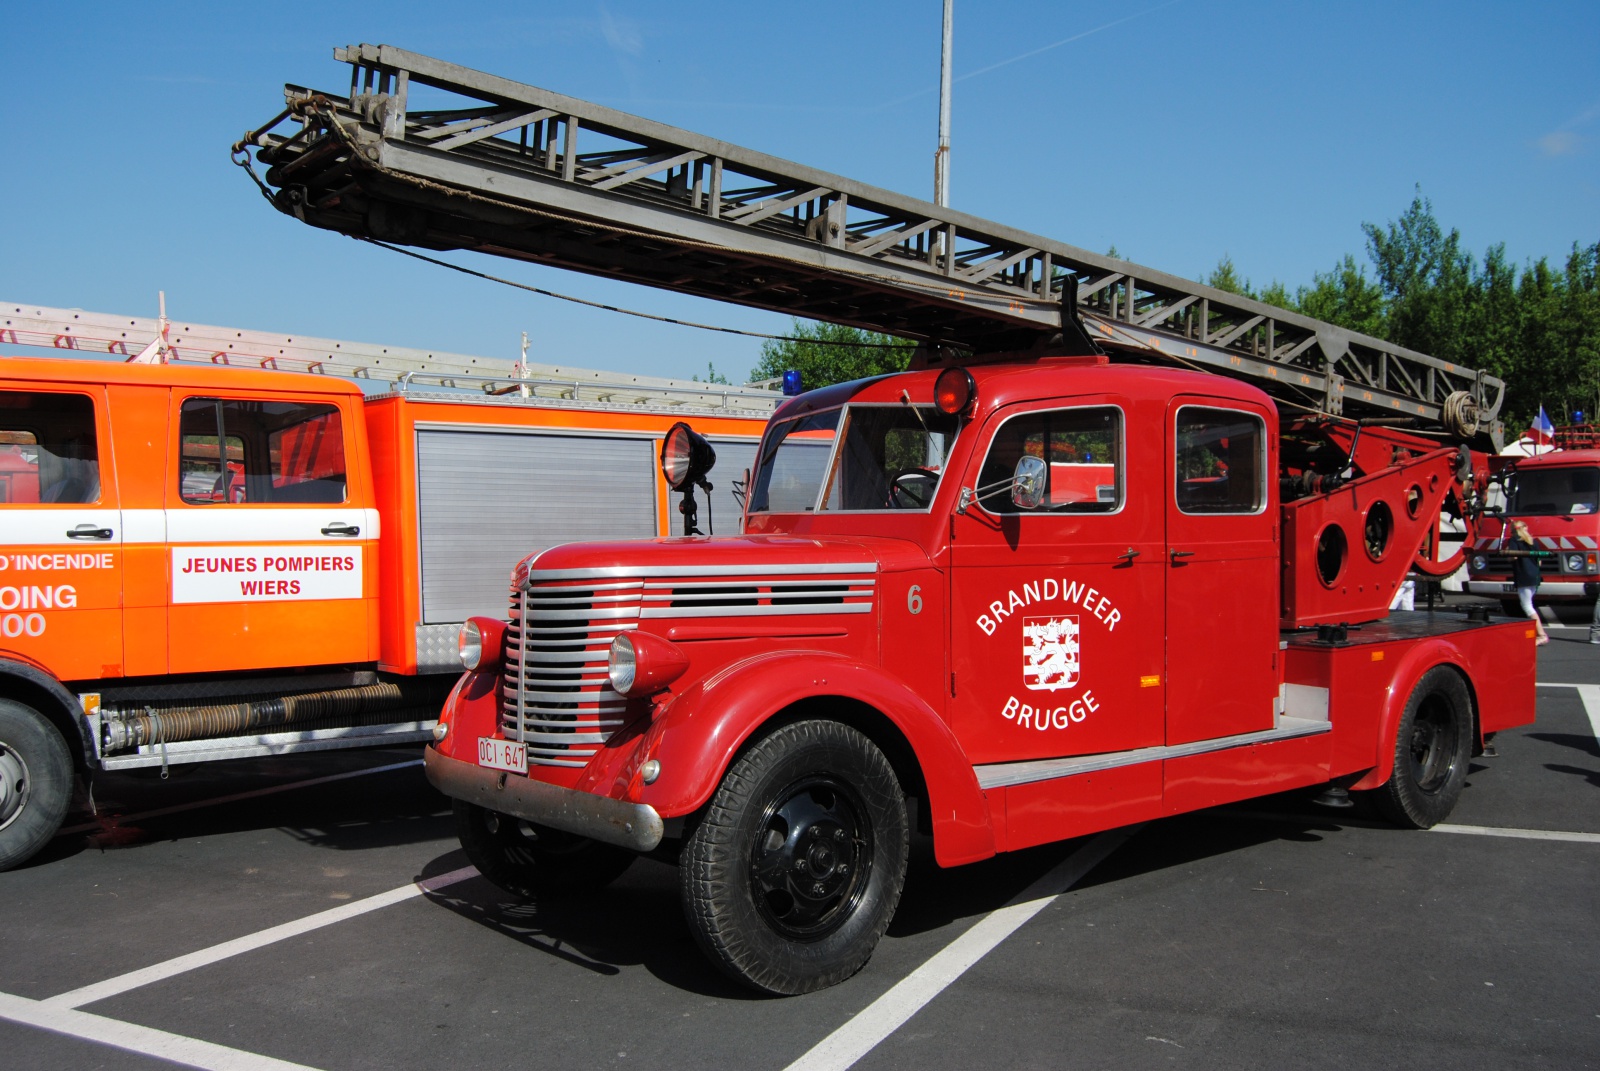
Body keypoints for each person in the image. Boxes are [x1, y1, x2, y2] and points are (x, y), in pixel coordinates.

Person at [1508, 520, 1550, 646]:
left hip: (1523, 575)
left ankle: (1542, 635)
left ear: (1513, 530)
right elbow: (1539, 561)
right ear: (1525, 527)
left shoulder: (1514, 540)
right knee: (1529, 603)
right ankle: (1532, 632)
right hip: (1534, 576)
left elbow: (1513, 557)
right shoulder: (1533, 541)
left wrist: (1508, 556)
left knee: (1527, 606)